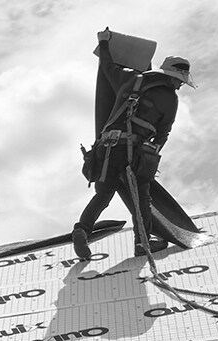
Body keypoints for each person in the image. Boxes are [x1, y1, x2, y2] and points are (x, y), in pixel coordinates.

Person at [74, 47, 196, 258]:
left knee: (103, 194)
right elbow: (162, 134)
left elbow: (107, 67)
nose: (180, 86)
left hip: (105, 147)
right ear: (174, 78)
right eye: (180, 81)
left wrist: (104, 44)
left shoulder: (132, 79)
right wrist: (150, 156)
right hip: (131, 150)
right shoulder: (170, 99)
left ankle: (82, 230)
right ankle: (142, 242)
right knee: (141, 196)